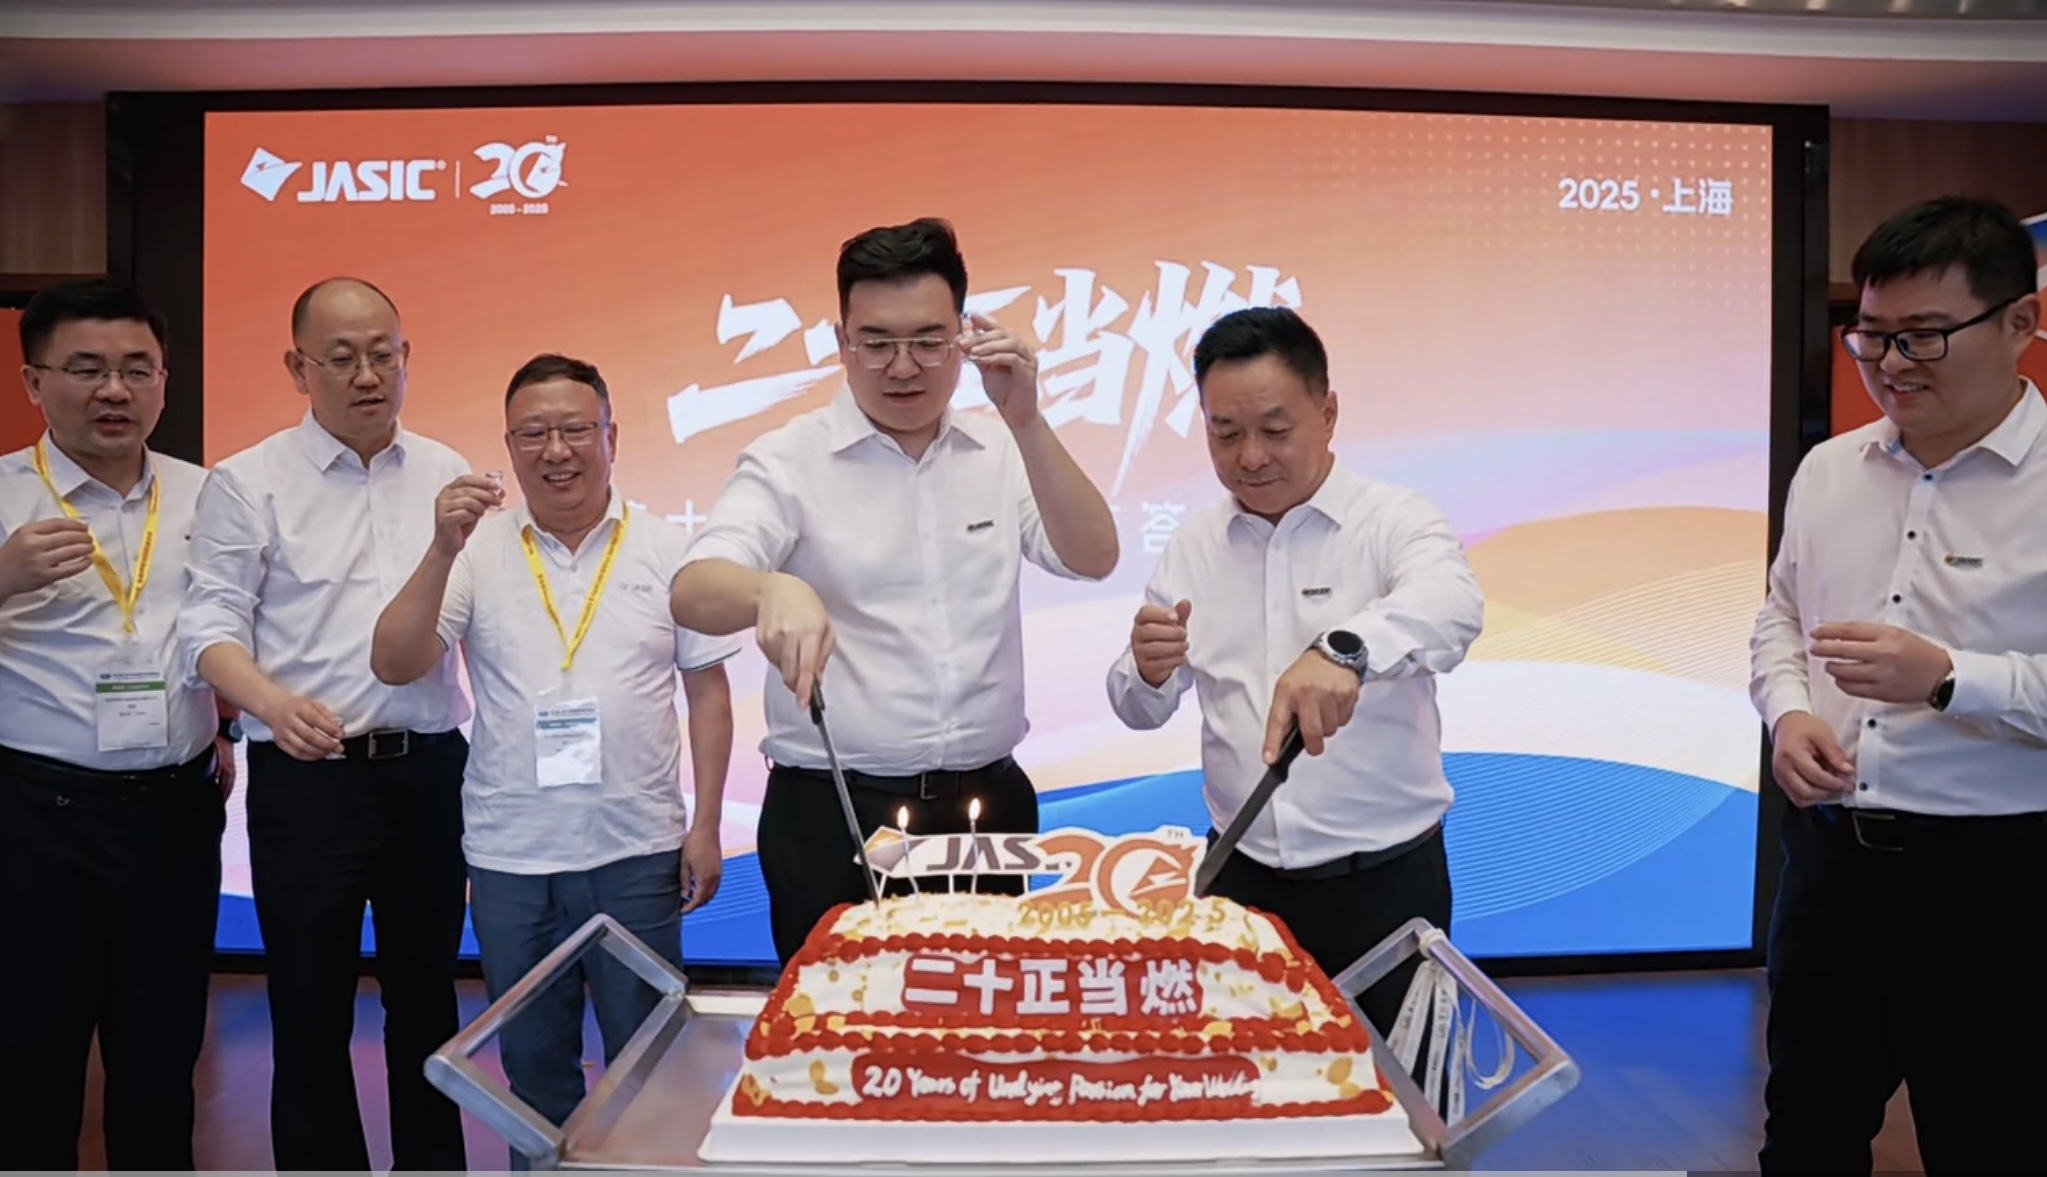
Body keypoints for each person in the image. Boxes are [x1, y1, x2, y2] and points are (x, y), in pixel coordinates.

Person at [669, 217, 1120, 963]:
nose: (903, 367)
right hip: (836, 812)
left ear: (964, 337)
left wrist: (1028, 420)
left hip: (985, 809)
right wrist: (767, 590)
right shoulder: (790, 460)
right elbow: (694, 590)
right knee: (838, 1024)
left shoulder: (1001, 447)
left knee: (985, 1016)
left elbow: (1094, 556)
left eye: (928, 342)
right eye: (876, 343)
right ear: (841, 341)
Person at [1749, 196, 2047, 1172]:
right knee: (1805, 1134)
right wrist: (1790, 711)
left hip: (2010, 886)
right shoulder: (1829, 469)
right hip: (1830, 867)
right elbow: (1781, 616)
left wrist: (1948, 679)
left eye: (1925, 335)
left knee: (2000, 1143)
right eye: (1872, 335)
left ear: (2019, 322)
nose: (1892, 363)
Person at [371, 353, 735, 1165]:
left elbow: (708, 693)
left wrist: (706, 825)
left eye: (575, 429)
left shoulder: (668, 547)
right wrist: (439, 549)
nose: (556, 450)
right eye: (533, 433)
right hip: (513, 855)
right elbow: (394, 662)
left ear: (612, 437)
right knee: (534, 1072)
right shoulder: (475, 552)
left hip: (636, 846)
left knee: (650, 1064)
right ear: (508, 446)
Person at [1104, 306, 1484, 1037]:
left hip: (1385, 887)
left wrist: (1346, 650)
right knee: (1245, 1089)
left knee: (1400, 1095)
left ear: (1328, 413)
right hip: (1240, 881)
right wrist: (1145, 671)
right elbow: (1140, 708)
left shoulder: (1393, 520)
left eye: (1275, 430)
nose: (1250, 456)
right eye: (1225, 433)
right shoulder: (1194, 546)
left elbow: (1452, 608)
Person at [179, 276, 474, 1171]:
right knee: (309, 1010)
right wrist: (270, 704)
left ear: (407, 357)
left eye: (384, 354)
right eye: (341, 358)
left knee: (429, 1004)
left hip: (428, 771)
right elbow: (208, 627)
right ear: (297, 367)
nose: (367, 374)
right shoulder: (249, 481)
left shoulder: (445, 471)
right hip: (309, 782)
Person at [0, 280, 235, 1170]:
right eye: (87, 368)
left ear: (165, 381)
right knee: (32, 1057)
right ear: (34, 380)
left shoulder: (208, 495)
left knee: (162, 1058)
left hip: (175, 813)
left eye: (138, 369)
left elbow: (225, 628)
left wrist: (227, 727)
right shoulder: (3, 496)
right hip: (37, 819)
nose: (114, 390)